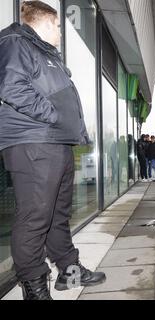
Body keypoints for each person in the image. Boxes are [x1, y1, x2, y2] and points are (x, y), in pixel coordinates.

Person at [0, 1, 106, 300]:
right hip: (34, 143)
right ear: (46, 22)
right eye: (59, 25)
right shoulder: (15, 43)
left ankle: (69, 273)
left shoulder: (45, 53)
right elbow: (11, 86)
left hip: (55, 143)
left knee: (57, 215)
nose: (61, 31)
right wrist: (53, 115)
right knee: (34, 218)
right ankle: (34, 287)